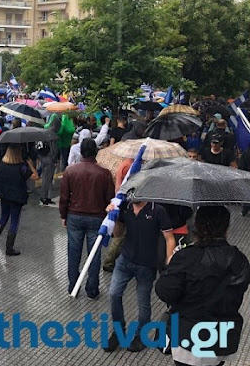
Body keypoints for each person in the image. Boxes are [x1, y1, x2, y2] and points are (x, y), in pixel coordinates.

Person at [156, 206, 250, 366]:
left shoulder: (186, 257)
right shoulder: (239, 259)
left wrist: (170, 267)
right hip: (222, 338)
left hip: (189, 337)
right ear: (226, 227)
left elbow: (165, 292)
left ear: (197, 225)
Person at [104, 199, 176, 353]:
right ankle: (118, 331)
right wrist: (114, 217)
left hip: (147, 265)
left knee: (143, 303)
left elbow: (169, 238)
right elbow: (118, 233)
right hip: (124, 260)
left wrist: (169, 262)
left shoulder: (158, 210)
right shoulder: (126, 207)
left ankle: (141, 335)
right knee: (114, 293)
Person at [59, 139, 114, 298]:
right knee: (94, 254)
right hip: (97, 217)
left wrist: (64, 215)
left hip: (74, 216)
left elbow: (64, 197)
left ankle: (73, 286)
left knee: (73, 252)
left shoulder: (70, 171)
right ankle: (92, 289)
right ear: (95, 152)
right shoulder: (104, 173)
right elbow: (109, 198)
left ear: (81, 151)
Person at [0, 144, 33, 256]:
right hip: (17, 197)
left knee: (4, 216)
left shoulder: (2, 164)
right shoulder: (22, 166)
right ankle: (9, 248)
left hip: (4, 195)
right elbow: (35, 176)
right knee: (14, 220)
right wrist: (30, 164)